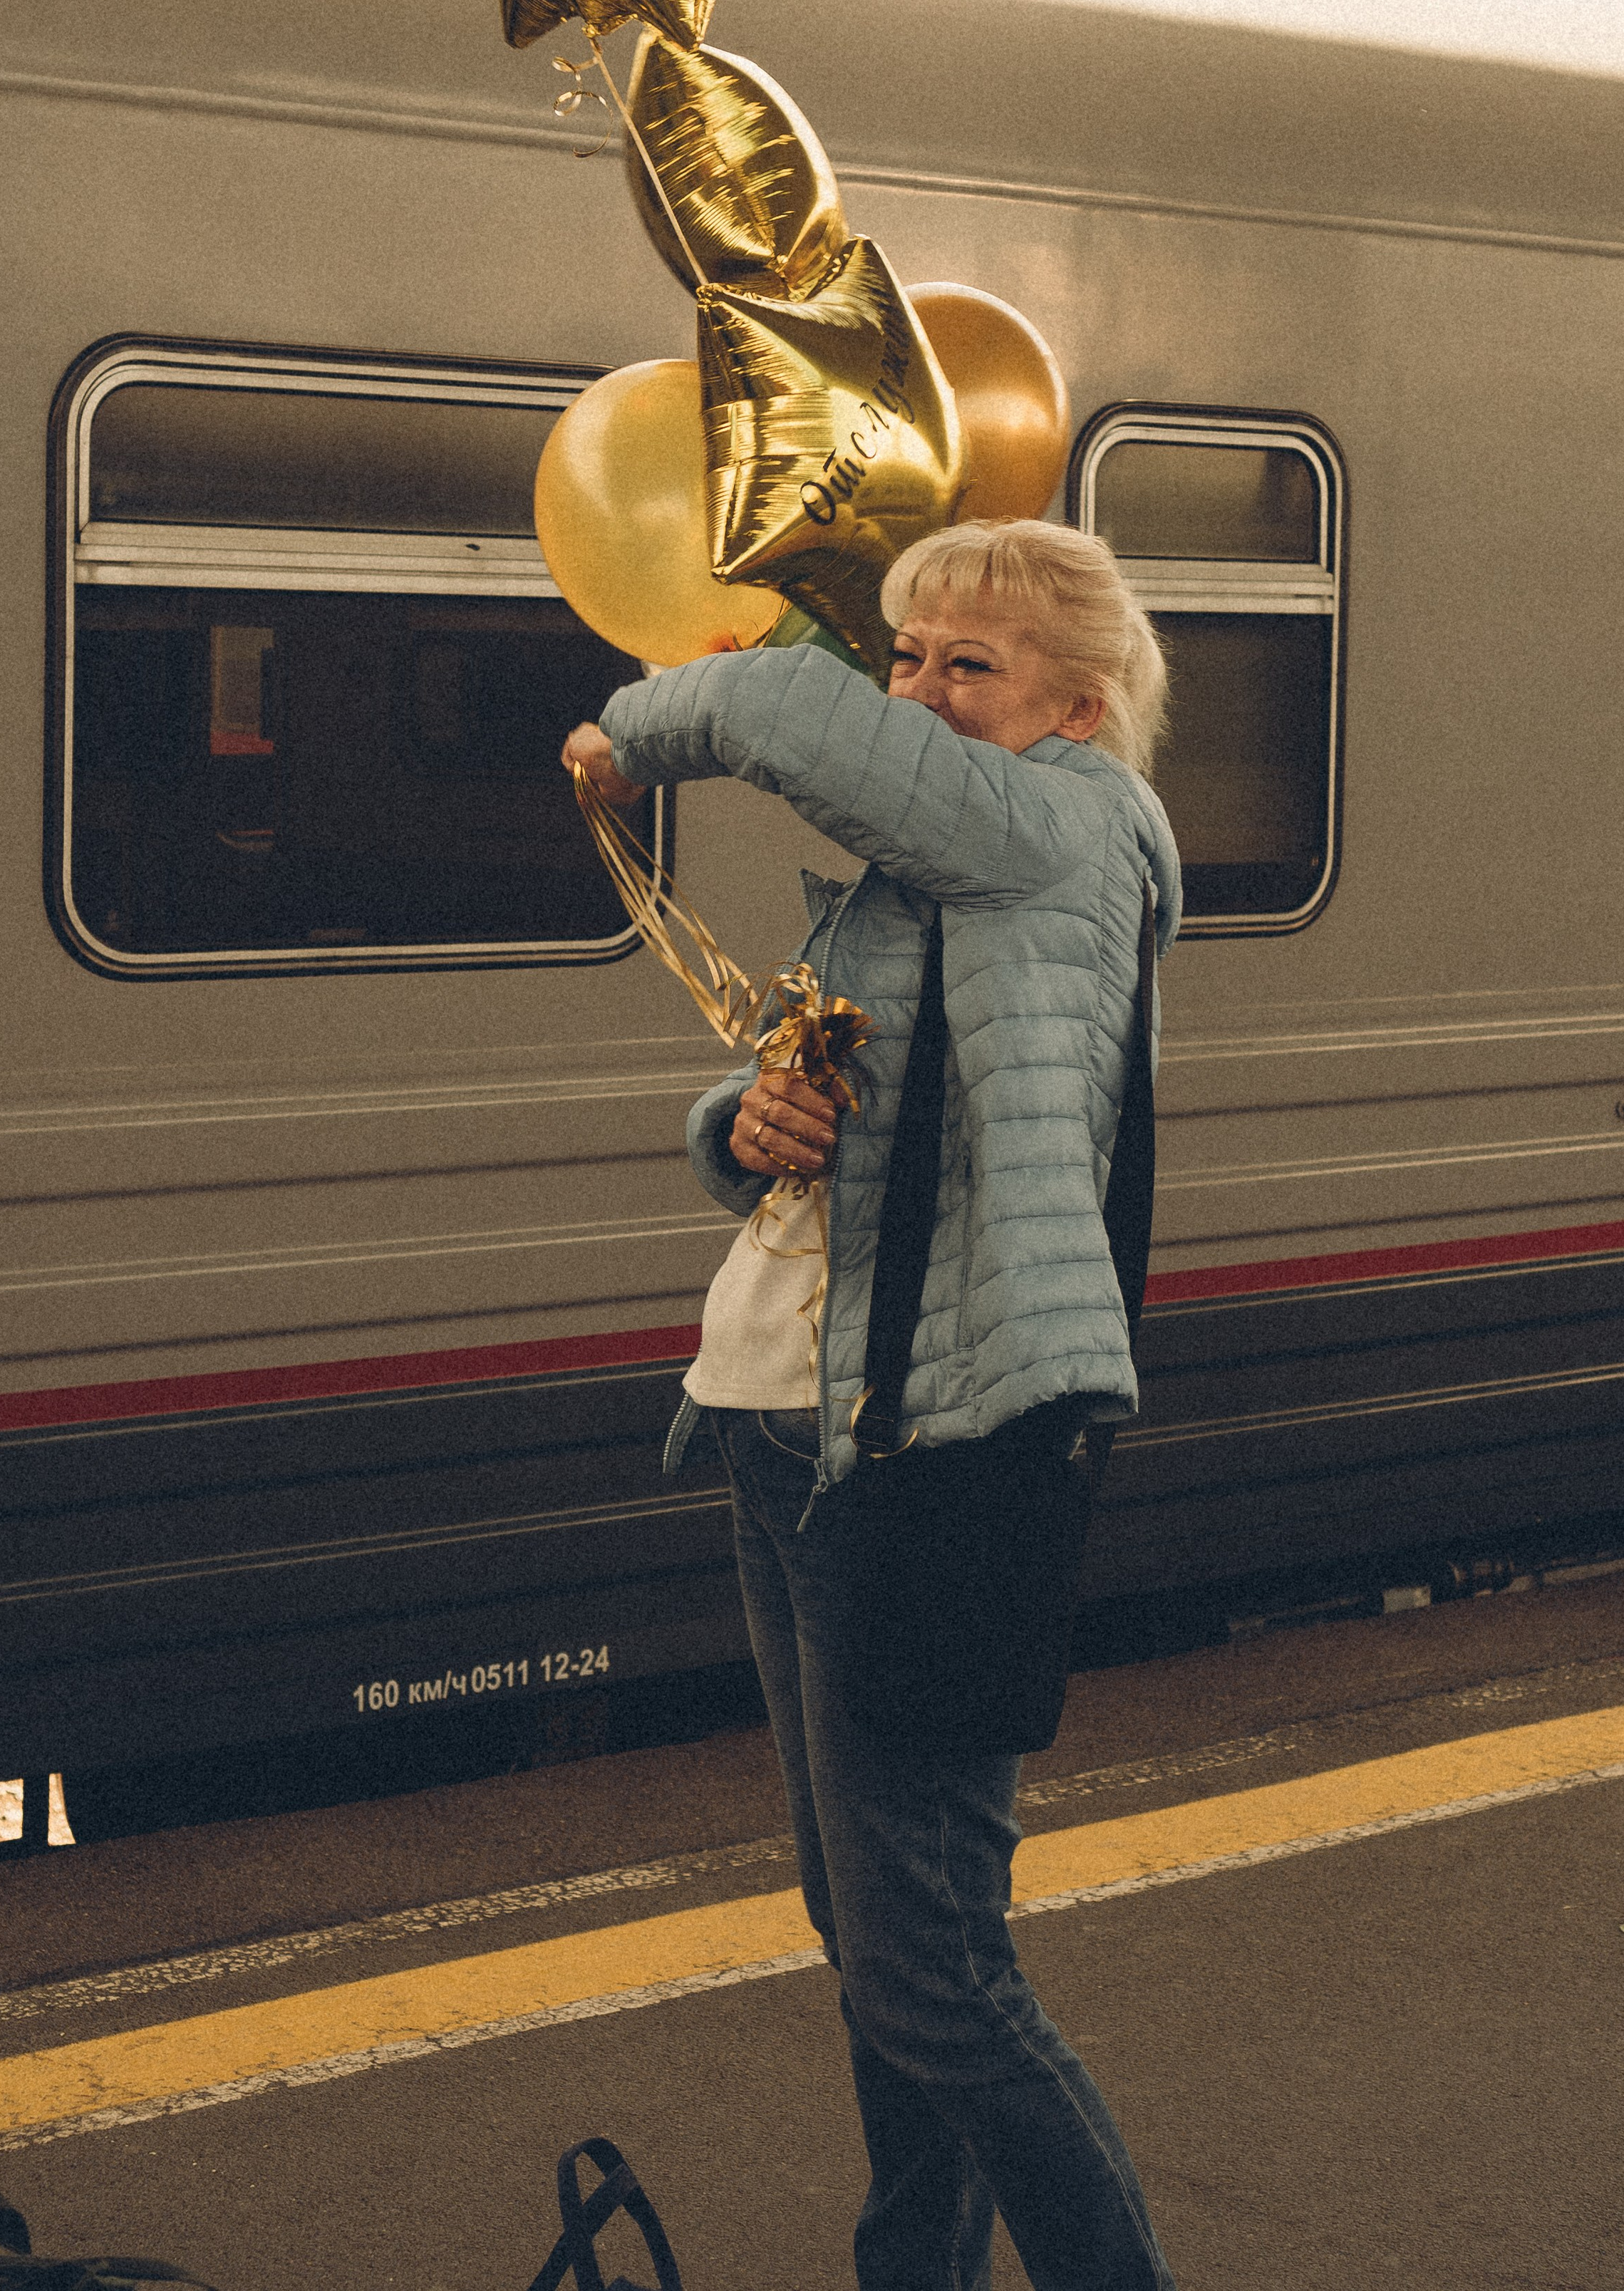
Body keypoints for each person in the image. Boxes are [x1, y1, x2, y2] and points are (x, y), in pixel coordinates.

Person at [563, 518, 1181, 2291]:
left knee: (935, 1968)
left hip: (932, 1450)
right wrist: (735, 1128)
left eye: (961, 664)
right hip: (784, 1423)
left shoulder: (1061, 829)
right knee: (873, 1938)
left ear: (1076, 706)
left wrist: (631, 729)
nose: (913, 693)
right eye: (904, 657)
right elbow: (845, 1121)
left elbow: (776, 703)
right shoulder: (935, 867)